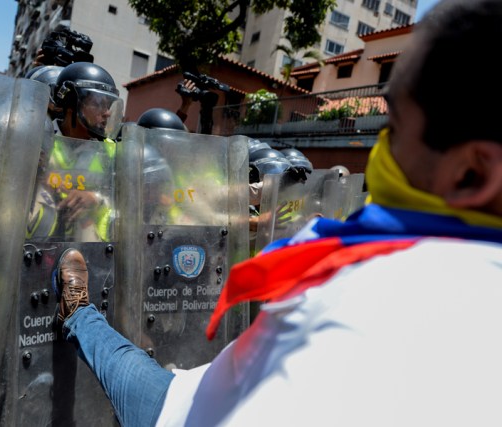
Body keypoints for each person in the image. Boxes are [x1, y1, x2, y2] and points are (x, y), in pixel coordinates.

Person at [56, 2, 502, 424]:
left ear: (469, 175)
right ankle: (76, 312)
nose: (383, 145)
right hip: (181, 393)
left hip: (171, 415)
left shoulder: (432, 305)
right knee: (111, 345)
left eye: (396, 127)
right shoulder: (394, 256)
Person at [25, 61, 123, 241]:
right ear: (72, 104)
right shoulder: (35, 139)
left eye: (108, 105)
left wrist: (95, 198)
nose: (107, 113)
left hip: (89, 252)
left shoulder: (110, 150)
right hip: (33, 248)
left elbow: (124, 200)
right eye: (98, 103)